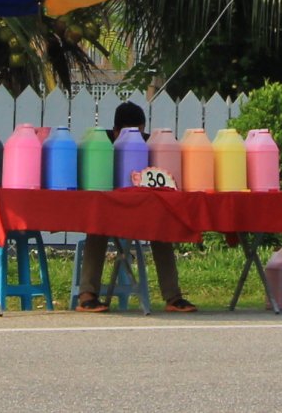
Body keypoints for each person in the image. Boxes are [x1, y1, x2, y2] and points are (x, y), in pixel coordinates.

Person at [75, 101, 197, 313]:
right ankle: (87, 294)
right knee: (96, 228)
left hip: (142, 208)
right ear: (114, 132)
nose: (136, 138)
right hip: (111, 207)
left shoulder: (152, 144)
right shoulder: (100, 143)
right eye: (129, 133)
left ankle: (173, 297)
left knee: (162, 228)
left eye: (140, 133)